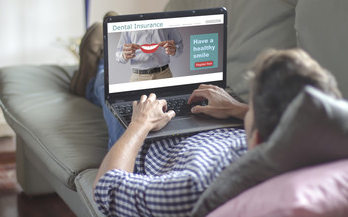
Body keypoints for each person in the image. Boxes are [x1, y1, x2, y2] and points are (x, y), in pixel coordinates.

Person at [90, 47, 341, 216]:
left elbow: (106, 188)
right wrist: (237, 108)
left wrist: (140, 124)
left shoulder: (194, 186)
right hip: (206, 124)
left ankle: (96, 66)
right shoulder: (327, 146)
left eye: (251, 106)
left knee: (109, 87)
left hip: (151, 137)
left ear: (258, 139)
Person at [115, 28, 183, 82]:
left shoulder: (166, 19)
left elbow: (179, 46)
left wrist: (175, 50)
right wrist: (124, 55)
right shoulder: (129, 23)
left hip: (164, 75)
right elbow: (118, 54)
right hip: (138, 78)